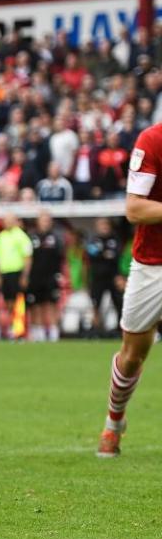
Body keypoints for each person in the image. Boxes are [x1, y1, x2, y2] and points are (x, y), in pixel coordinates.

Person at [97, 123, 162, 457]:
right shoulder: (152, 140)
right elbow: (135, 209)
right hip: (153, 264)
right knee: (133, 356)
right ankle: (114, 422)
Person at [26, 210, 64, 342]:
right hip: (35, 277)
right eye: (43, 220)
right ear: (38, 222)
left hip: (51, 276)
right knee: (35, 305)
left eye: (47, 220)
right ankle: (38, 334)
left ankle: (53, 333)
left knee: (51, 304)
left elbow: (60, 258)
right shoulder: (31, 237)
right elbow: (27, 258)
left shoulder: (56, 238)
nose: (45, 223)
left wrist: (60, 274)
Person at [0, 213, 32, 340]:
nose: (8, 223)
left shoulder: (21, 236)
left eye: (10, 220)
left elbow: (27, 257)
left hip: (17, 272)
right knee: (7, 302)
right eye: (6, 220)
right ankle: (10, 328)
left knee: (19, 302)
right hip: (5, 273)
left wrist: (25, 275)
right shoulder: (1, 236)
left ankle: (20, 329)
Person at [86, 217, 123, 336]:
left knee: (118, 303)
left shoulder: (115, 240)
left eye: (106, 225)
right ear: (97, 227)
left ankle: (120, 329)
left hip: (113, 277)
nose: (104, 227)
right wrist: (105, 254)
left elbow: (116, 255)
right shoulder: (93, 240)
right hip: (98, 278)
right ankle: (96, 330)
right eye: (101, 225)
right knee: (96, 304)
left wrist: (101, 254)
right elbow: (91, 253)